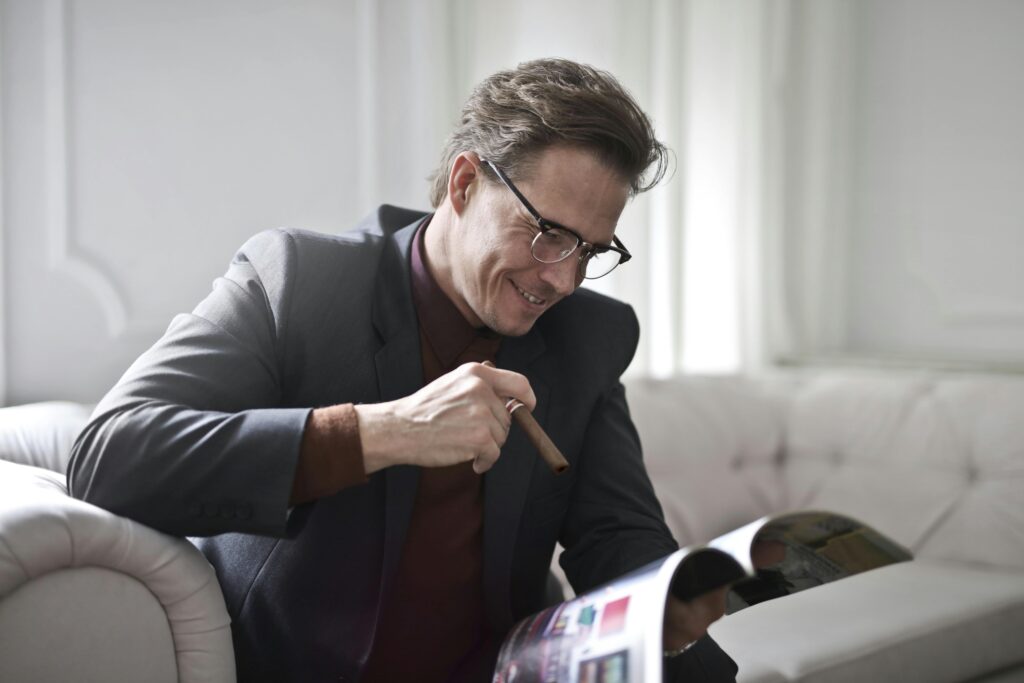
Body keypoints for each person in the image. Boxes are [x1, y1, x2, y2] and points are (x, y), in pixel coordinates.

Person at [68, 58, 738, 682]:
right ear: (466, 182)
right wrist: (385, 431)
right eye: (548, 233)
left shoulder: (586, 334)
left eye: (591, 249)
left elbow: (616, 536)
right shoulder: (299, 281)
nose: (563, 278)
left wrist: (674, 612)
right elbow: (109, 454)